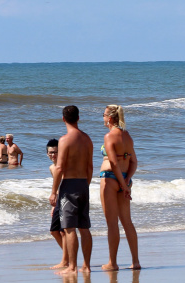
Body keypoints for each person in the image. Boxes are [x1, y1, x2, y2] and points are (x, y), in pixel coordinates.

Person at [50, 105, 94, 275]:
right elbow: (90, 167)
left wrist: (54, 191)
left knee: (69, 228)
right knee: (84, 227)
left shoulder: (65, 140)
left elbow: (59, 168)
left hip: (69, 186)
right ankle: (87, 266)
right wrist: (85, 184)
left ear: (63, 119)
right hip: (83, 183)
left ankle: (73, 267)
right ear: (78, 118)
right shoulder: (87, 139)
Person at [100, 104, 140, 271]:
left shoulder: (109, 136)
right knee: (127, 222)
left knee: (112, 223)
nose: (102, 117)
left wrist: (123, 186)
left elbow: (114, 163)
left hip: (110, 179)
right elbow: (134, 162)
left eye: (103, 115)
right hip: (125, 178)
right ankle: (135, 262)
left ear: (110, 118)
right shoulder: (127, 136)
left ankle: (113, 263)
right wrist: (127, 181)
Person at [46, 138, 69, 270]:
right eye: (50, 153)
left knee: (64, 231)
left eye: (56, 152)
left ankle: (65, 260)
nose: (53, 155)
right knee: (54, 231)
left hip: (66, 199)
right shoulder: (51, 167)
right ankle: (68, 256)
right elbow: (57, 185)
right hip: (58, 201)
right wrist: (54, 205)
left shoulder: (63, 166)